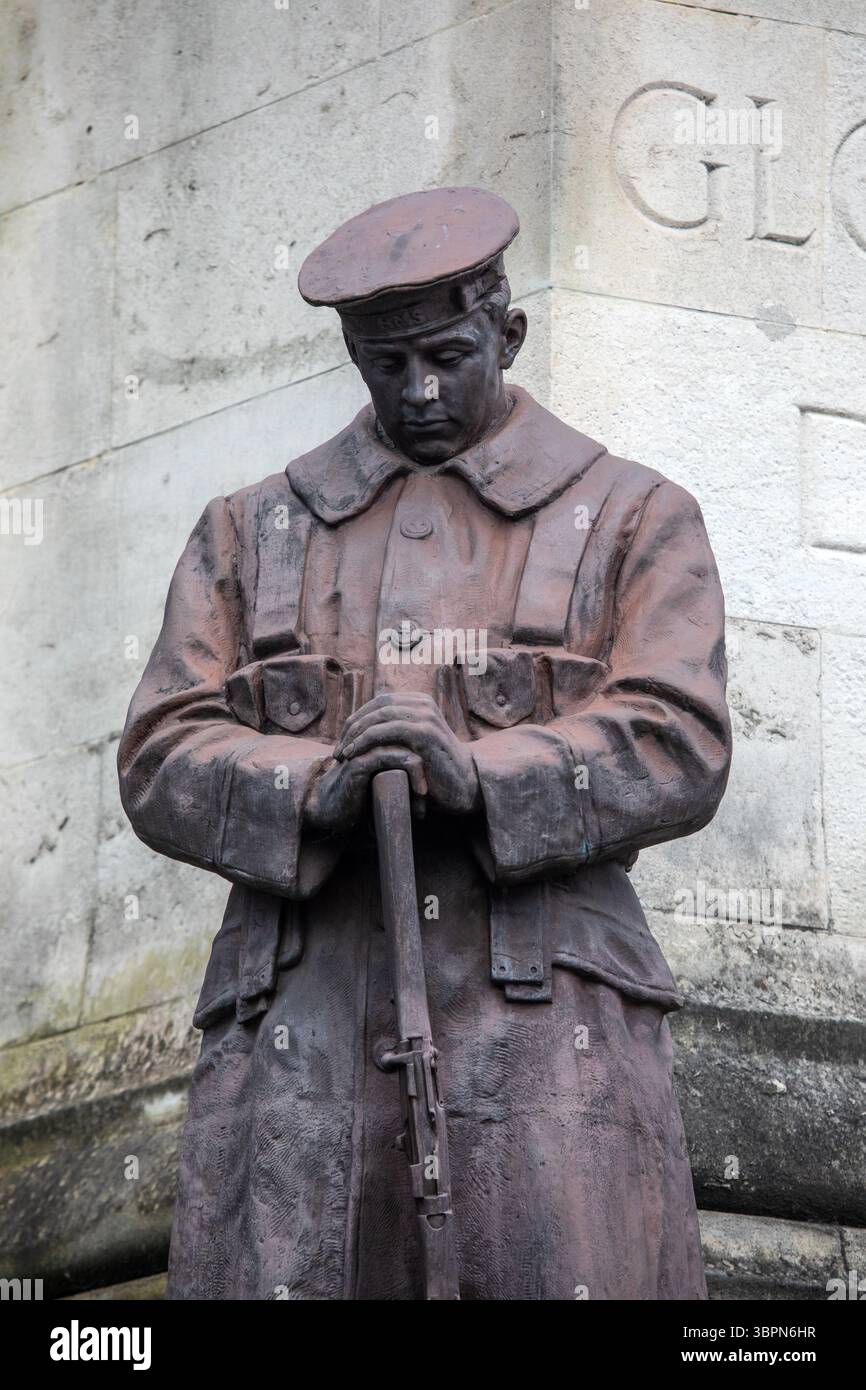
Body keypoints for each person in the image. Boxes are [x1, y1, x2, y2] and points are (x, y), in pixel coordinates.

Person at [118, 186, 731, 1300]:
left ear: (507, 329)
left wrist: (482, 775)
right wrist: (311, 786)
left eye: (447, 354)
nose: (420, 391)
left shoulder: (634, 515)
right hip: (298, 1039)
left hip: (543, 1031)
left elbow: (677, 735)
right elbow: (160, 749)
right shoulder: (252, 531)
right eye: (383, 366)